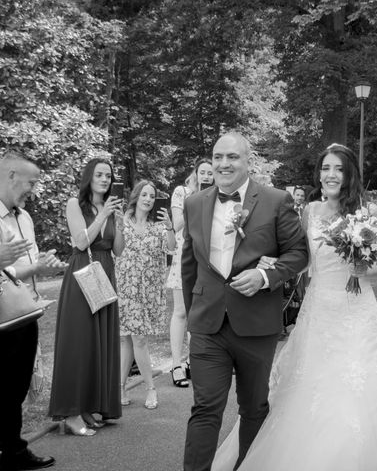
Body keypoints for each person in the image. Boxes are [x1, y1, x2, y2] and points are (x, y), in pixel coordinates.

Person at [209, 143, 377, 471]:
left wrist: (362, 268)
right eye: (326, 168)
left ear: (349, 174)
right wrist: (263, 268)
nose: (330, 175)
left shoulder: (369, 214)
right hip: (318, 310)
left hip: (357, 311)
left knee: (359, 385)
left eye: (338, 169)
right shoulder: (309, 211)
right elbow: (299, 259)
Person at [181, 132, 308, 471]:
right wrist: (193, 313)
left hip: (256, 324)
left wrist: (265, 277)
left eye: (232, 157)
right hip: (208, 324)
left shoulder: (276, 200)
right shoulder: (194, 203)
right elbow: (188, 266)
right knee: (205, 407)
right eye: (217, 156)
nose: (223, 164)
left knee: (252, 408)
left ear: (248, 161)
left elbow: (299, 254)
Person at [48, 158, 125, 436]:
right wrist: (102, 216)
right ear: (89, 178)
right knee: (79, 343)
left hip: (106, 274)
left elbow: (118, 251)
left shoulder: (110, 208)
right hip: (83, 275)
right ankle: (69, 413)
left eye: (108, 175)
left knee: (99, 344)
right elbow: (80, 242)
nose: (105, 179)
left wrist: (120, 222)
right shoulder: (74, 204)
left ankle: (90, 407)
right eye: (99, 175)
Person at [0, 153, 66, 471]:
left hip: (25, 313)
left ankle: (13, 450)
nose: (34, 189)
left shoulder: (24, 217)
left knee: (16, 387)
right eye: (31, 182)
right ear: (11, 175)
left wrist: (41, 267)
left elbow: (22, 268)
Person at [117, 180, 176, 409]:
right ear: (136, 196)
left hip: (150, 287)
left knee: (131, 341)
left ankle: (120, 388)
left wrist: (170, 226)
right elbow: (115, 250)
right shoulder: (123, 220)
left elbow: (171, 248)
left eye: (152, 196)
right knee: (135, 339)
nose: (149, 199)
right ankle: (150, 388)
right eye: (145, 194)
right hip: (127, 286)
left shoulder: (158, 225)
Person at [166, 159, 213, 387]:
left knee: (198, 313)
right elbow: (176, 225)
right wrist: (195, 201)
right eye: (202, 172)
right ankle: (176, 364)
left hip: (205, 260)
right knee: (181, 311)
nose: (206, 176)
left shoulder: (216, 196)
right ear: (195, 173)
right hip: (184, 257)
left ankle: (194, 362)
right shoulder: (182, 192)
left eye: (210, 173)